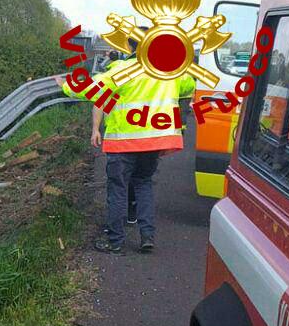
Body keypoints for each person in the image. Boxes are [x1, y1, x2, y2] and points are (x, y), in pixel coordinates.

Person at [66, 52, 195, 253]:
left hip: (123, 143)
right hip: (152, 142)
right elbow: (189, 85)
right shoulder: (168, 71)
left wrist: (64, 85)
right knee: (144, 185)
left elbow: (89, 89)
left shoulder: (122, 70)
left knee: (118, 189)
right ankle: (147, 237)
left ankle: (115, 241)